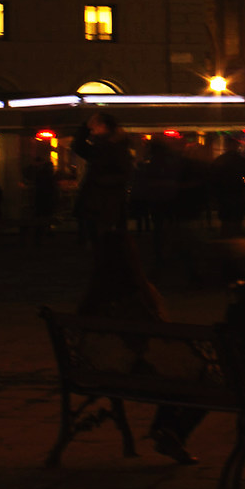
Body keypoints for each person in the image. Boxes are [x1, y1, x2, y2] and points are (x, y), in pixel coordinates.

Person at [78, 232, 203, 464]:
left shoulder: (93, 299)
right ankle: (170, 431)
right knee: (198, 378)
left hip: (95, 370)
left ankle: (167, 431)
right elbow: (155, 339)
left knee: (176, 371)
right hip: (128, 374)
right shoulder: (137, 298)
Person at [71, 113, 134, 245]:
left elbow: (79, 147)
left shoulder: (109, 148)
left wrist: (101, 182)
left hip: (104, 200)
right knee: (103, 237)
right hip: (105, 199)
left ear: (103, 126)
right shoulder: (110, 147)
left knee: (102, 237)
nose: (92, 131)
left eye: (94, 127)